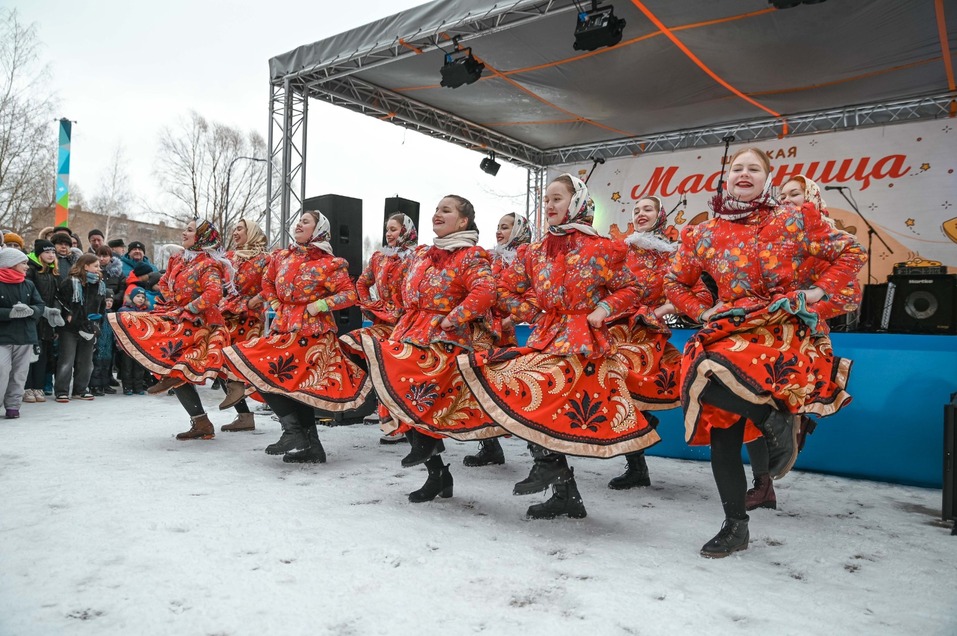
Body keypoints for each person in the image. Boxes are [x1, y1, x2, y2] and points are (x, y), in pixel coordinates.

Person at [663, 148, 866, 558]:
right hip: (731, 327)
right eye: (737, 168)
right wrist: (703, 311)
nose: (744, 173)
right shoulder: (704, 233)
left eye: (753, 168)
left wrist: (815, 293)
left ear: (767, 178)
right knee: (704, 390)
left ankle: (771, 425)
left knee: (712, 374)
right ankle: (736, 523)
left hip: (780, 327)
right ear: (726, 178)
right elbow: (674, 282)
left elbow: (851, 252)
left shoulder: (793, 219)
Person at [458, 174, 656, 519]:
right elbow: (503, 288)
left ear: (576, 202)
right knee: (526, 394)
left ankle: (561, 471)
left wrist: (602, 309)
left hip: (584, 342)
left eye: (557, 199)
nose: (549, 205)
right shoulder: (535, 252)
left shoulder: (602, 248)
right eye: (546, 199)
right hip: (547, 336)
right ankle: (562, 488)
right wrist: (534, 313)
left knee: (552, 403)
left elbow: (632, 288)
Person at [359, 195, 500, 502]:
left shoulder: (470, 255)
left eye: (446, 210)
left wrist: (452, 318)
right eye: (436, 209)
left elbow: (486, 291)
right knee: (391, 387)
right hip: (410, 330)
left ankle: (431, 449)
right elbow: (397, 288)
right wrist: (380, 307)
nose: (437, 213)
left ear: (462, 221)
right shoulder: (423, 254)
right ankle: (438, 474)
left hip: (443, 340)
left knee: (410, 388)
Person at [742, 174, 864, 511]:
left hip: (804, 335)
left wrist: (810, 305)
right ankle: (763, 484)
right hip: (766, 331)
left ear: (811, 196)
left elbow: (848, 295)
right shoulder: (772, 237)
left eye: (794, 194)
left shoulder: (825, 237)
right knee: (749, 400)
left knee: (773, 403)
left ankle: (792, 421)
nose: (786, 200)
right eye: (782, 195)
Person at [223, 210, 370, 462]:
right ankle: (307, 442)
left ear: (319, 229)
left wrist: (320, 305)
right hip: (283, 328)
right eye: (298, 221)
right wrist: (275, 303)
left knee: (285, 382)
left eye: (306, 221)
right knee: (266, 374)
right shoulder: (282, 257)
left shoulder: (330, 263)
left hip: (313, 334)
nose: (299, 224)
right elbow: (268, 283)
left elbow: (349, 295)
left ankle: (297, 435)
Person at [109, 220, 231, 439]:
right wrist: (175, 301)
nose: (184, 233)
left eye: (190, 230)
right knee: (173, 371)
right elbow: (164, 282)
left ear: (202, 237)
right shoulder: (179, 258)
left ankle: (244, 405)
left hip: (201, 325)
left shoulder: (208, 264)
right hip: (179, 319)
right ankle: (201, 423)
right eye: (185, 229)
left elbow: (214, 293)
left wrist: (190, 307)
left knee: (186, 370)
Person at [339, 212, 418, 444]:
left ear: (406, 230)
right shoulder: (379, 258)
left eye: (394, 229)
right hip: (384, 324)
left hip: (410, 325)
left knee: (399, 372)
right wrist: (369, 306)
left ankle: (404, 424)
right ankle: (382, 406)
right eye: (387, 230)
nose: (389, 234)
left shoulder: (419, 257)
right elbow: (362, 283)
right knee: (352, 343)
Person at [462, 212, 532, 468]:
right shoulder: (491, 257)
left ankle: (542, 453)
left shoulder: (528, 257)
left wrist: (511, 320)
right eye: (498, 227)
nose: (499, 232)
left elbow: (535, 294)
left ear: (519, 230)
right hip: (480, 330)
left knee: (507, 389)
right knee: (477, 386)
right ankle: (490, 447)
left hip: (502, 332)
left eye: (505, 227)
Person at [216, 219, 271, 432]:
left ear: (252, 232)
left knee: (248, 365)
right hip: (227, 315)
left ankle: (290, 419)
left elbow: (272, 286)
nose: (235, 232)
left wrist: (255, 300)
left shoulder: (265, 259)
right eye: (234, 229)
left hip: (249, 318)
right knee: (220, 363)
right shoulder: (229, 257)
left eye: (240, 228)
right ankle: (244, 416)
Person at [54, 254, 107, 401]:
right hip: (70, 328)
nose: (99, 269)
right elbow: (60, 300)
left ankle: (81, 389)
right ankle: (62, 390)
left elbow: (101, 307)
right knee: (67, 359)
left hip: (89, 327)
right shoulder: (70, 282)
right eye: (95, 266)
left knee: (86, 361)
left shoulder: (100, 284)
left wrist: (98, 323)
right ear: (85, 266)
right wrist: (68, 314)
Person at [0, 248, 45, 418]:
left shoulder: (28, 284)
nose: (27, 266)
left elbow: (40, 305)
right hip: (3, 336)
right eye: (23, 263)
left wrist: (32, 310)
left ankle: (13, 406)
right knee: (2, 370)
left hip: (25, 336)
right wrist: (9, 313)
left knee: (19, 374)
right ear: (10, 264)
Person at [24, 240, 64, 404]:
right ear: (39, 253)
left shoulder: (53, 272)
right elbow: (28, 295)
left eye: (53, 252)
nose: (51, 255)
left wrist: (55, 312)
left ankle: (38, 387)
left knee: (43, 355)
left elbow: (57, 296)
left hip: (48, 320)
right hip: (33, 317)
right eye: (47, 252)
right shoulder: (31, 270)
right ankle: (27, 387)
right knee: (30, 354)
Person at [115, 287, 150, 395]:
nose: (140, 299)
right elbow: (118, 326)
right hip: (127, 343)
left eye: (143, 297)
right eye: (138, 296)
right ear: (132, 297)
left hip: (141, 343)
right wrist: (119, 342)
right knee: (127, 366)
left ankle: (138, 387)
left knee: (139, 367)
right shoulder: (123, 310)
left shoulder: (146, 311)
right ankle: (127, 387)